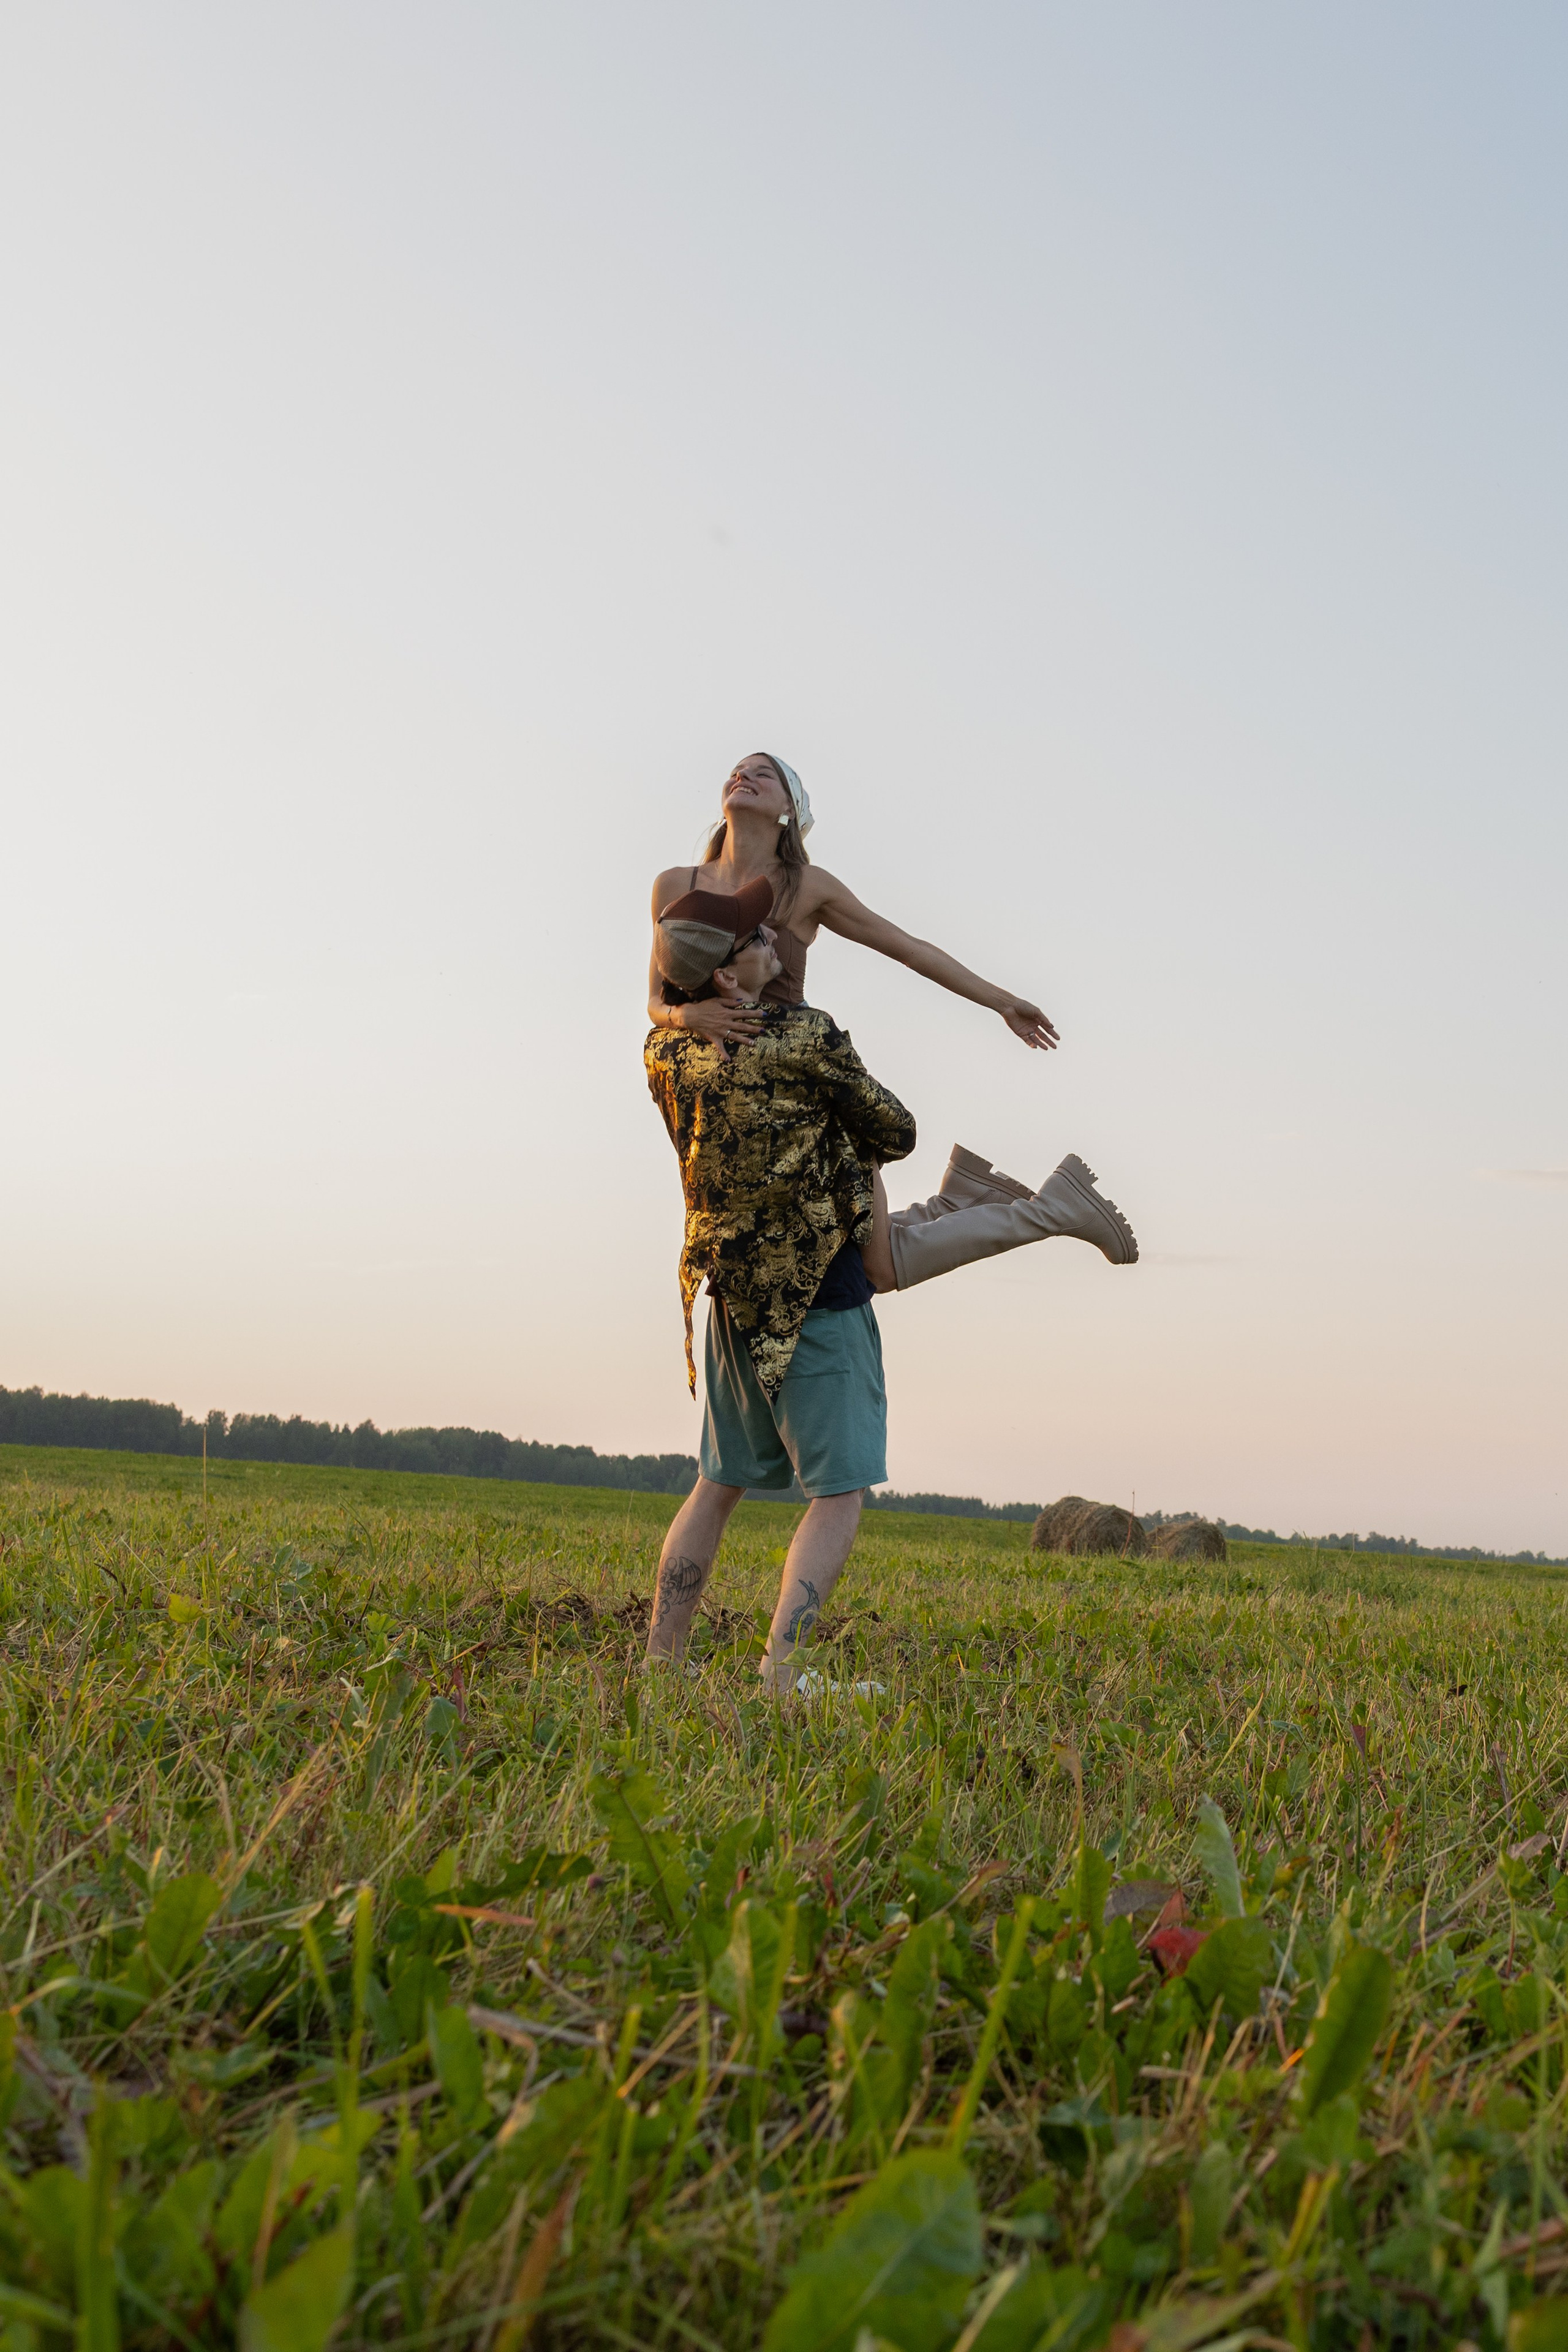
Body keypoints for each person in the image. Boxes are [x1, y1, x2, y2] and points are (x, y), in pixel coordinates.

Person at [643, 881, 1136, 1694]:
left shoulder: (664, 1053)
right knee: (838, 1495)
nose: (772, 936)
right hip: (817, 1295)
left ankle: (660, 1663)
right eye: (753, 938)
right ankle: (782, 1673)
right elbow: (894, 1129)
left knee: (716, 1486)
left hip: (731, 1296)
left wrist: (684, 1015)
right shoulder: (804, 1034)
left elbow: (674, 1036)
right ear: (728, 979)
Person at [647, 752, 1059, 1056]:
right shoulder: (675, 886)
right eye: (736, 772)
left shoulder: (808, 886)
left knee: (860, 1158)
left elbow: (909, 950)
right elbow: (655, 1003)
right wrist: (689, 1018)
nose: (742, 776)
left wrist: (1004, 1003)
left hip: (793, 1056)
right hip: (699, 1063)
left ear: (789, 808)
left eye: (762, 774)